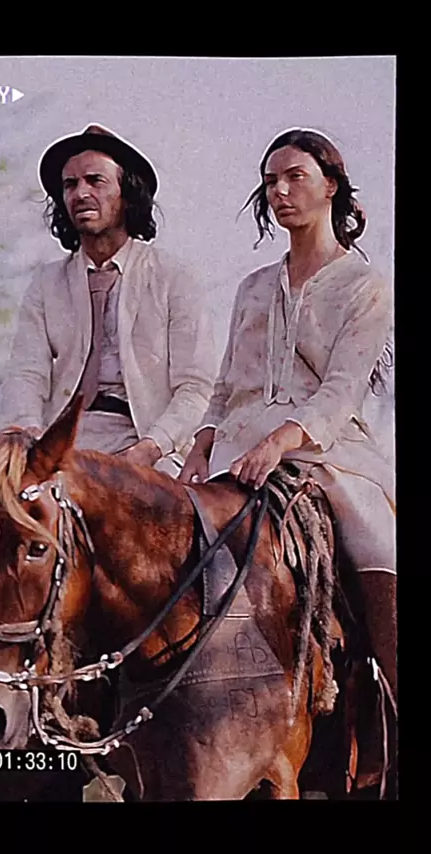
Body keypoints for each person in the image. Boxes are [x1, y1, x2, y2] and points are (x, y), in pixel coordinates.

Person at [180, 128, 396, 718]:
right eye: (270, 181)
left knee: (381, 543)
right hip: (236, 455)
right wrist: (200, 446)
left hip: (328, 455)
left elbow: (341, 391)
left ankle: (391, 701)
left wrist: (280, 441)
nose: (279, 191)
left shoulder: (364, 287)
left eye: (295, 177)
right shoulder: (252, 287)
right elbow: (225, 385)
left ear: (331, 186)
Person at [0, 123, 217, 476]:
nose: (80, 193)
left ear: (127, 195)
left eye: (95, 181)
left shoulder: (174, 277)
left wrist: (148, 449)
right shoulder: (46, 283)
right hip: (61, 444)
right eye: (70, 185)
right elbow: (26, 373)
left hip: (149, 444)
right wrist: (29, 434)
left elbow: (196, 388)